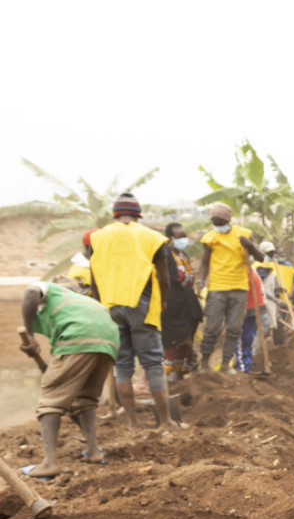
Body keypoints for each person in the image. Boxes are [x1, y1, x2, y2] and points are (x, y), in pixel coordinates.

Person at [89, 193, 175, 430]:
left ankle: (132, 422)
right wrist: (163, 301)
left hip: (111, 306)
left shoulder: (97, 238)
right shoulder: (152, 237)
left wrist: (101, 305)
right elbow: (165, 278)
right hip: (141, 304)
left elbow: (94, 278)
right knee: (153, 364)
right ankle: (166, 421)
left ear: (115, 214)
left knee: (123, 365)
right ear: (138, 215)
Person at [17, 282, 119, 479]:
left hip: (79, 337)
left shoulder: (53, 290)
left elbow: (30, 291)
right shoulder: (84, 303)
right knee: (85, 399)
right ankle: (93, 451)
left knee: (50, 401)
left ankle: (49, 463)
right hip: (109, 341)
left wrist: (29, 335)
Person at [196, 203, 265, 373]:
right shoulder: (210, 238)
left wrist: (249, 245)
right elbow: (204, 263)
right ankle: (204, 364)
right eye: (216, 223)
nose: (219, 226)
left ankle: (226, 364)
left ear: (228, 220)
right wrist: (199, 281)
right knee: (212, 328)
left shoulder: (245, 234)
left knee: (234, 328)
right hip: (217, 288)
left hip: (240, 289)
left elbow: (261, 258)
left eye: (221, 222)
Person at [161, 223, 203, 381]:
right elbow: (169, 278)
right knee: (172, 340)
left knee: (186, 340)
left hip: (186, 303)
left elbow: (189, 276)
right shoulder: (165, 254)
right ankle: (170, 376)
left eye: (184, 236)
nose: (183, 239)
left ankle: (180, 374)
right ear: (170, 238)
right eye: (179, 237)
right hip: (172, 305)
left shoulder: (183, 254)